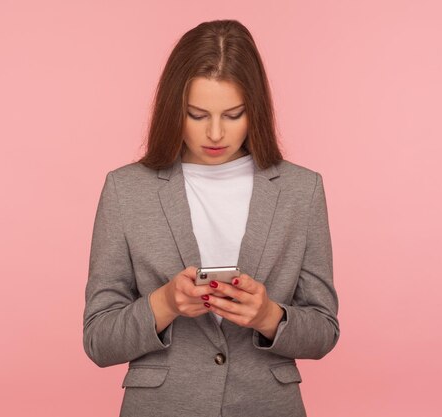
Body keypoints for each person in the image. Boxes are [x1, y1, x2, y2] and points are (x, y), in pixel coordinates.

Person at [83, 19, 339, 417]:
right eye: (197, 115)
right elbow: (99, 340)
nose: (216, 133)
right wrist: (165, 303)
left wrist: (269, 316)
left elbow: (324, 331)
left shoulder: (301, 190)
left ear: (256, 111)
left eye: (234, 114)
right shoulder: (126, 189)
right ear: (173, 109)